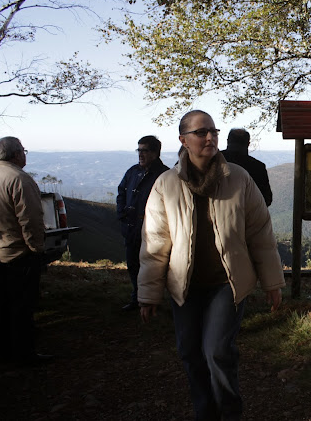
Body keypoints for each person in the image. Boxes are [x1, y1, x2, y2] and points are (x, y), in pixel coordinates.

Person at [138, 110, 285, 420]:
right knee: (190, 353)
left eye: (213, 131)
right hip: (185, 286)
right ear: (183, 140)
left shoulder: (239, 178)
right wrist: (148, 294)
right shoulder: (166, 184)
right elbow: (155, 243)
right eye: (201, 132)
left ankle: (229, 413)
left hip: (226, 283)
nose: (210, 137)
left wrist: (272, 282)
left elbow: (261, 233)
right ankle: (205, 413)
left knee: (217, 351)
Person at [0, 137, 52, 365]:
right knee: (21, 306)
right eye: (24, 151)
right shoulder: (19, 179)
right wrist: (36, 249)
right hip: (18, 255)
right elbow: (31, 220)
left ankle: (1, 351)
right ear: (17, 154)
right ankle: (23, 354)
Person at [116, 135, 168, 311]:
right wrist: (122, 214)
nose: (140, 154)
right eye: (139, 150)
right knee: (133, 265)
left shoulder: (164, 175)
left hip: (153, 231)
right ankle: (137, 299)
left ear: (155, 152)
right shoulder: (132, 172)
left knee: (154, 267)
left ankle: (153, 300)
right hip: (131, 229)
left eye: (145, 150)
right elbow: (121, 192)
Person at [221, 128, 273, 206]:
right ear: (248, 143)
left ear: (228, 141)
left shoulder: (213, 161)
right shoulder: (258, 167)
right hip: (247, 212)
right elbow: (266, 199)